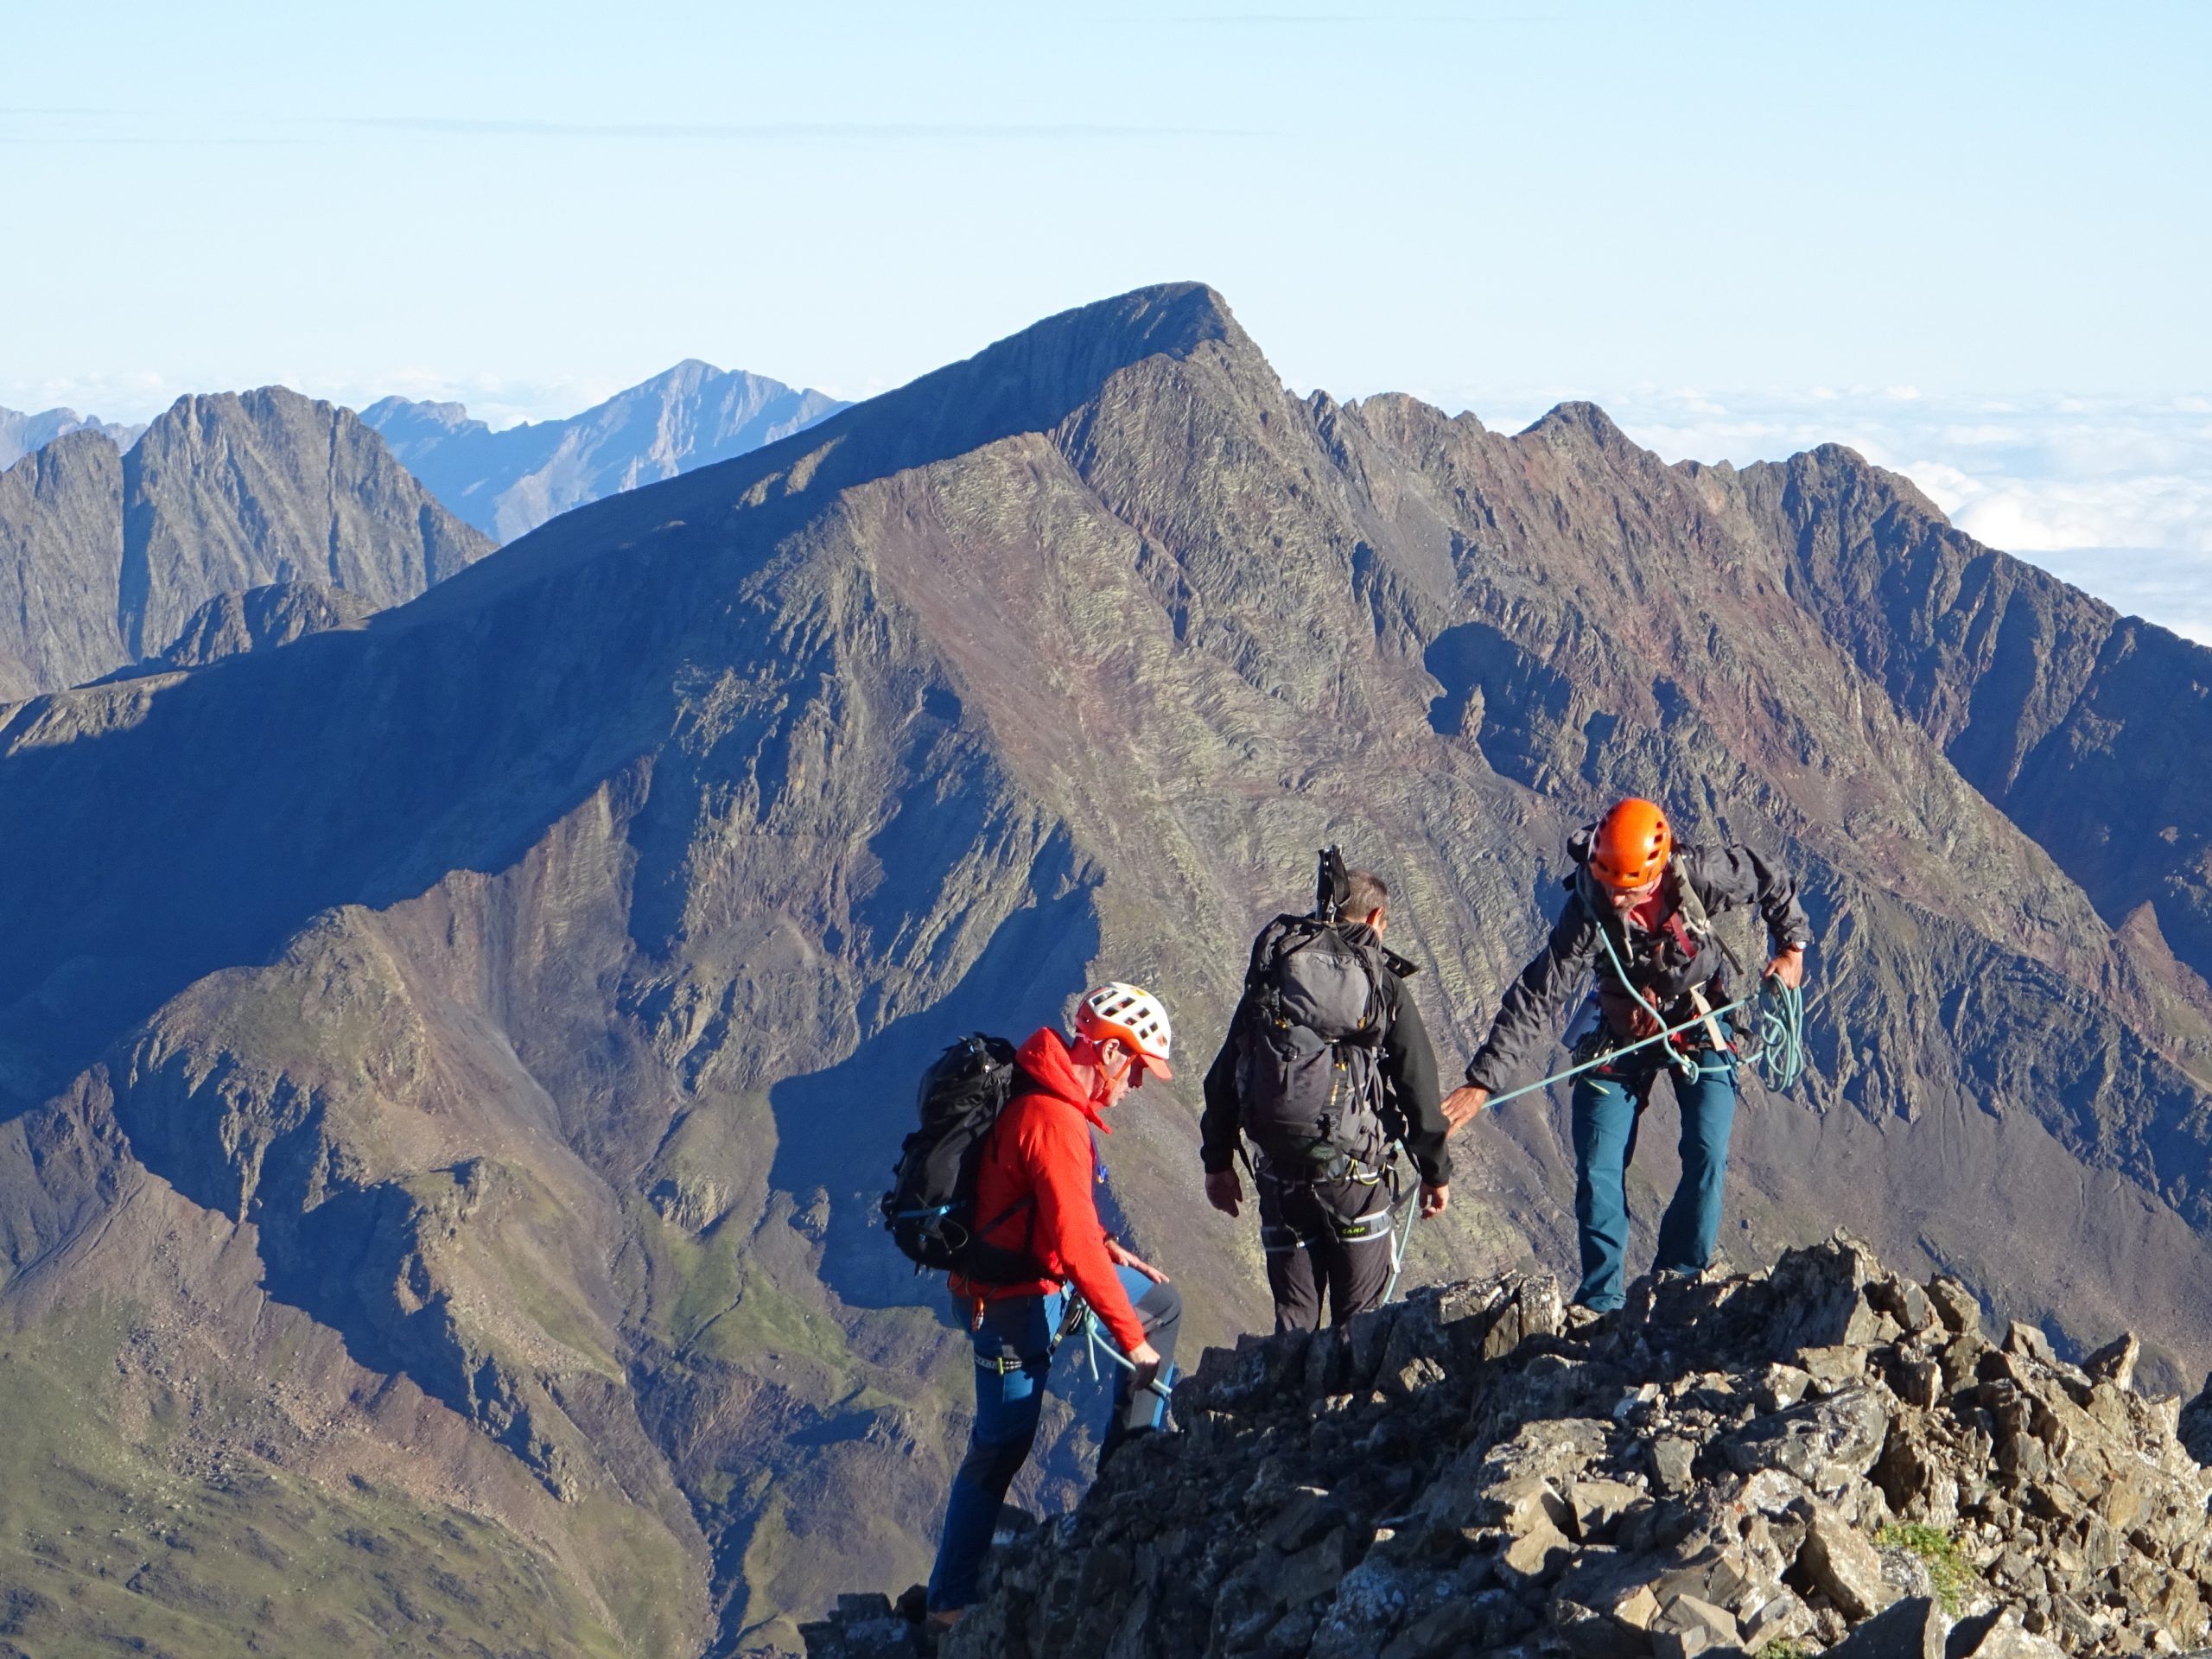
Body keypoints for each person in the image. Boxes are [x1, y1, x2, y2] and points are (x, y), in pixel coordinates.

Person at [1440, 798, 1811, 1314]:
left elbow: (1770, 876)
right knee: (1597, 1166)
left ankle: (1679, 1283)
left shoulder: (1700, 875)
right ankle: (1601, 1302)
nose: (1616, 897)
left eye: (1627, 889)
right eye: (1608, 883)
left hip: (1697, 1019)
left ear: (1656, 874)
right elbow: (1537, 995)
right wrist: (1482, 1082)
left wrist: (1791, 948)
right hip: (1619, 1029)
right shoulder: (1588, 907)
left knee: (1707, 1151)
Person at [925, 982, 1181, 1626]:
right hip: (1007, 1309)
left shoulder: (1049, 1094)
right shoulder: (1055, 1118)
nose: (1139, 1087)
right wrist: (1133, 1339)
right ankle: (949, 1603)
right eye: (1141, 1071)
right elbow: (1068, 1238)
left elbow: (1049, 1210)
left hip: (1036, 1288)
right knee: (1001, 1447)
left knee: (1162, 1304)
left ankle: (1127, 1485)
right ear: (1114, 1055)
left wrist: (1108, 1246)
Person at [1201, 861, 1452, 1332]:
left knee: (1294, 1320)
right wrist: (1435, 1171)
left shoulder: (1275, 979)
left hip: (1280, 1179)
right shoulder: (1383, 985)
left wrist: (1217, 1163)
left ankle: (1287, 1402)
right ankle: (1346, 1405)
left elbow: (1225, 1075)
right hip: (1355, 1180)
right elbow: (1417, 1082)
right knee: (1360, 1323)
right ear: (1377, 918)